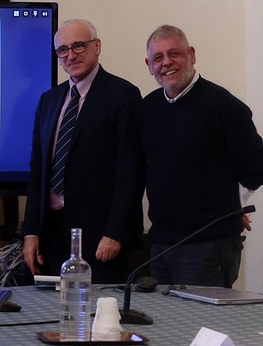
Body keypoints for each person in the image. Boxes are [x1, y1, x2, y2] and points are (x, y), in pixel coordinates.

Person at [140, 24, 263, 287]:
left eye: (175, 54)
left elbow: (256, 168)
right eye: (158, 58)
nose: (167, 63)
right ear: (149, 65)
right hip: (160, 243)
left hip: (207, 247)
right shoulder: (148, 108)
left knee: (200, 327)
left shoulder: (224, 106)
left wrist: (231, 206)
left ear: (192, 55)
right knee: (164, 326)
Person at [22, 19, 144, 284]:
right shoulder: (49, 100)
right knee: (52, 315)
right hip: (52, 234)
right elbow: (38, 170)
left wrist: (116, 233)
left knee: (98, 319)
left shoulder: (123, 96)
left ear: (96, 46)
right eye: (63, 50)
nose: (71, 55)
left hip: (100, 237)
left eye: (78, 45)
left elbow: (131, 171)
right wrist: (31, 232)